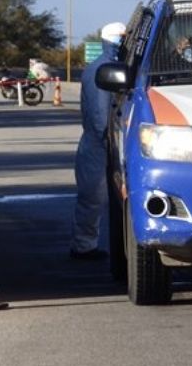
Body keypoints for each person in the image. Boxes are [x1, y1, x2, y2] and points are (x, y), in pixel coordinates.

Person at [71, 21, 126, 260]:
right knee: (93, 197)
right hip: (99, 143)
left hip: (108, 142)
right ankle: (84, 247)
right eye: (118, 38)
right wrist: (109, 142)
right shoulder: (101, 69)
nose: (121, 42)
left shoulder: (112, 67)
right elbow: (98, 114)